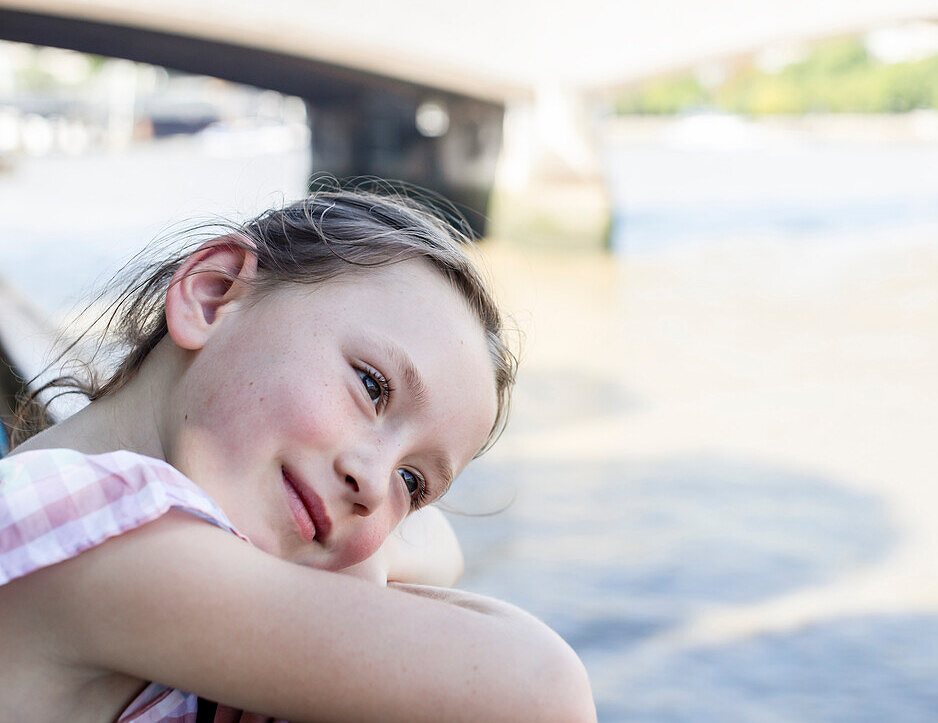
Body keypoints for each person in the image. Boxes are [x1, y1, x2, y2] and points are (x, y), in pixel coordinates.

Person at [0, 189, 597, 722]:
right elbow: (543, 689)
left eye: (411, 483)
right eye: (371, 387)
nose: (373, 485)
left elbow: (443, 543)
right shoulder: (91, 526)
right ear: (213, 296)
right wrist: (354, 584)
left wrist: (359, 566)